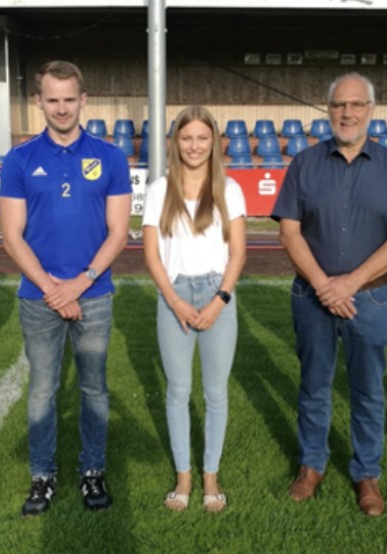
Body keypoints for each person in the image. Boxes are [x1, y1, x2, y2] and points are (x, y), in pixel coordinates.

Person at [271, 73, 387, 516]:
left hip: (369, 298)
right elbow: (289, 232)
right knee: (314, 385)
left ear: (371, 110)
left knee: (368, 388)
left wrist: (349, 284)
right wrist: (323, 285)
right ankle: (311, 465)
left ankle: (366, 472)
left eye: (356, 105)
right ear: (328, 110)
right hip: (311, 296)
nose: (347, 113)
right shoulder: (304, 163)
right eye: (339, 105)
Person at [0, 61, 132, 517]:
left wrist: (80, 283)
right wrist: (52, 289)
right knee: (42, 390)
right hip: (38, 299)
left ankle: (92, 470)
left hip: (94, 294)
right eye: (51, 99)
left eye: (68, 99)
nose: (60, 107)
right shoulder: (19, 160)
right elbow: (12, 236)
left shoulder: (111, 157)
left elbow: (119, 231)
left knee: (94, 389)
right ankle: (43, 476)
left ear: (83, 100)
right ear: (39, 102)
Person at [142, 106, 247, 513]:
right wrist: (176, 301)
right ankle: (183, 478)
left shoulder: (229, 189)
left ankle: (211, 478)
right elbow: (151, 255)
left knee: (216, 392)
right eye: (187, 138)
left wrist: (220, 300)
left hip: (217, 292)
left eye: (203, 138)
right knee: (179, 391)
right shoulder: (158, 190)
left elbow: (238, 253)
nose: (194, 146)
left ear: (214, 143)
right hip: (174, 296)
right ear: (175, 142)